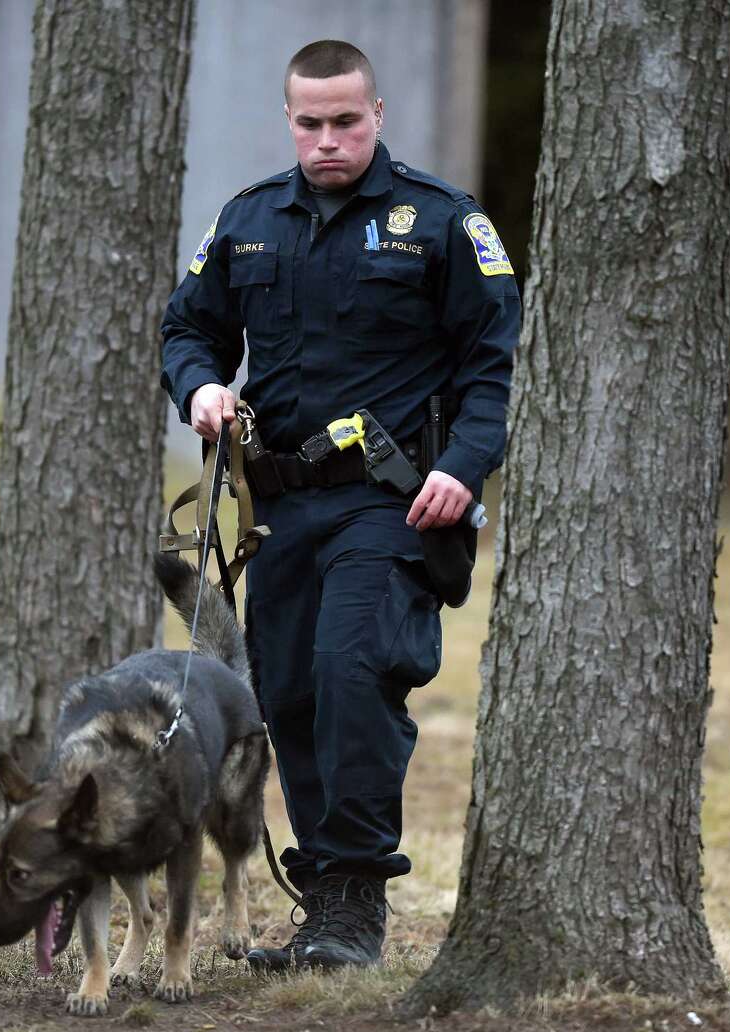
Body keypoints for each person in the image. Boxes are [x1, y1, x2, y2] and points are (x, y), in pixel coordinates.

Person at [160, 39, 519, 970]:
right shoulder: (249, 223)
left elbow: (492, 372)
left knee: (352, 673)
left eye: (346, 122)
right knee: (287, 696)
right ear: (290, 120)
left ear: (378, 115)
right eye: (311, 123)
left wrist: (466, 469)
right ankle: (322, 904)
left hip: (392, 505)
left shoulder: (440, 222)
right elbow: (189, 329)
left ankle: (355, 902)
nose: (328, 140)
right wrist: (199, 388)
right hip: (279, 509)